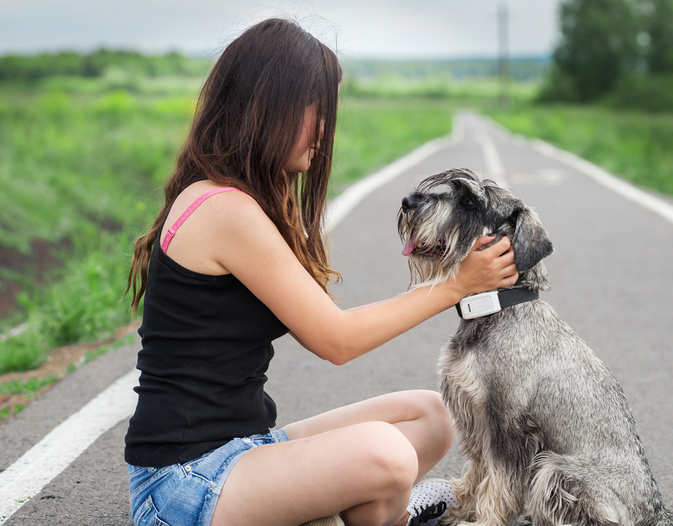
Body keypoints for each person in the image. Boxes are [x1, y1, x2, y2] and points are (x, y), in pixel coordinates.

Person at [124, 18, 518, 526]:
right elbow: (337, 340)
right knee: (387, 454)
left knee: (429, 415)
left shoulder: (248, 197)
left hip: (246, 448)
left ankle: (360, 508)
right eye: (318, 113)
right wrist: (458, 284)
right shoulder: (224, 210)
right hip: (184, 484)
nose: (326, 130)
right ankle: (383, 511)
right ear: (272, 108)